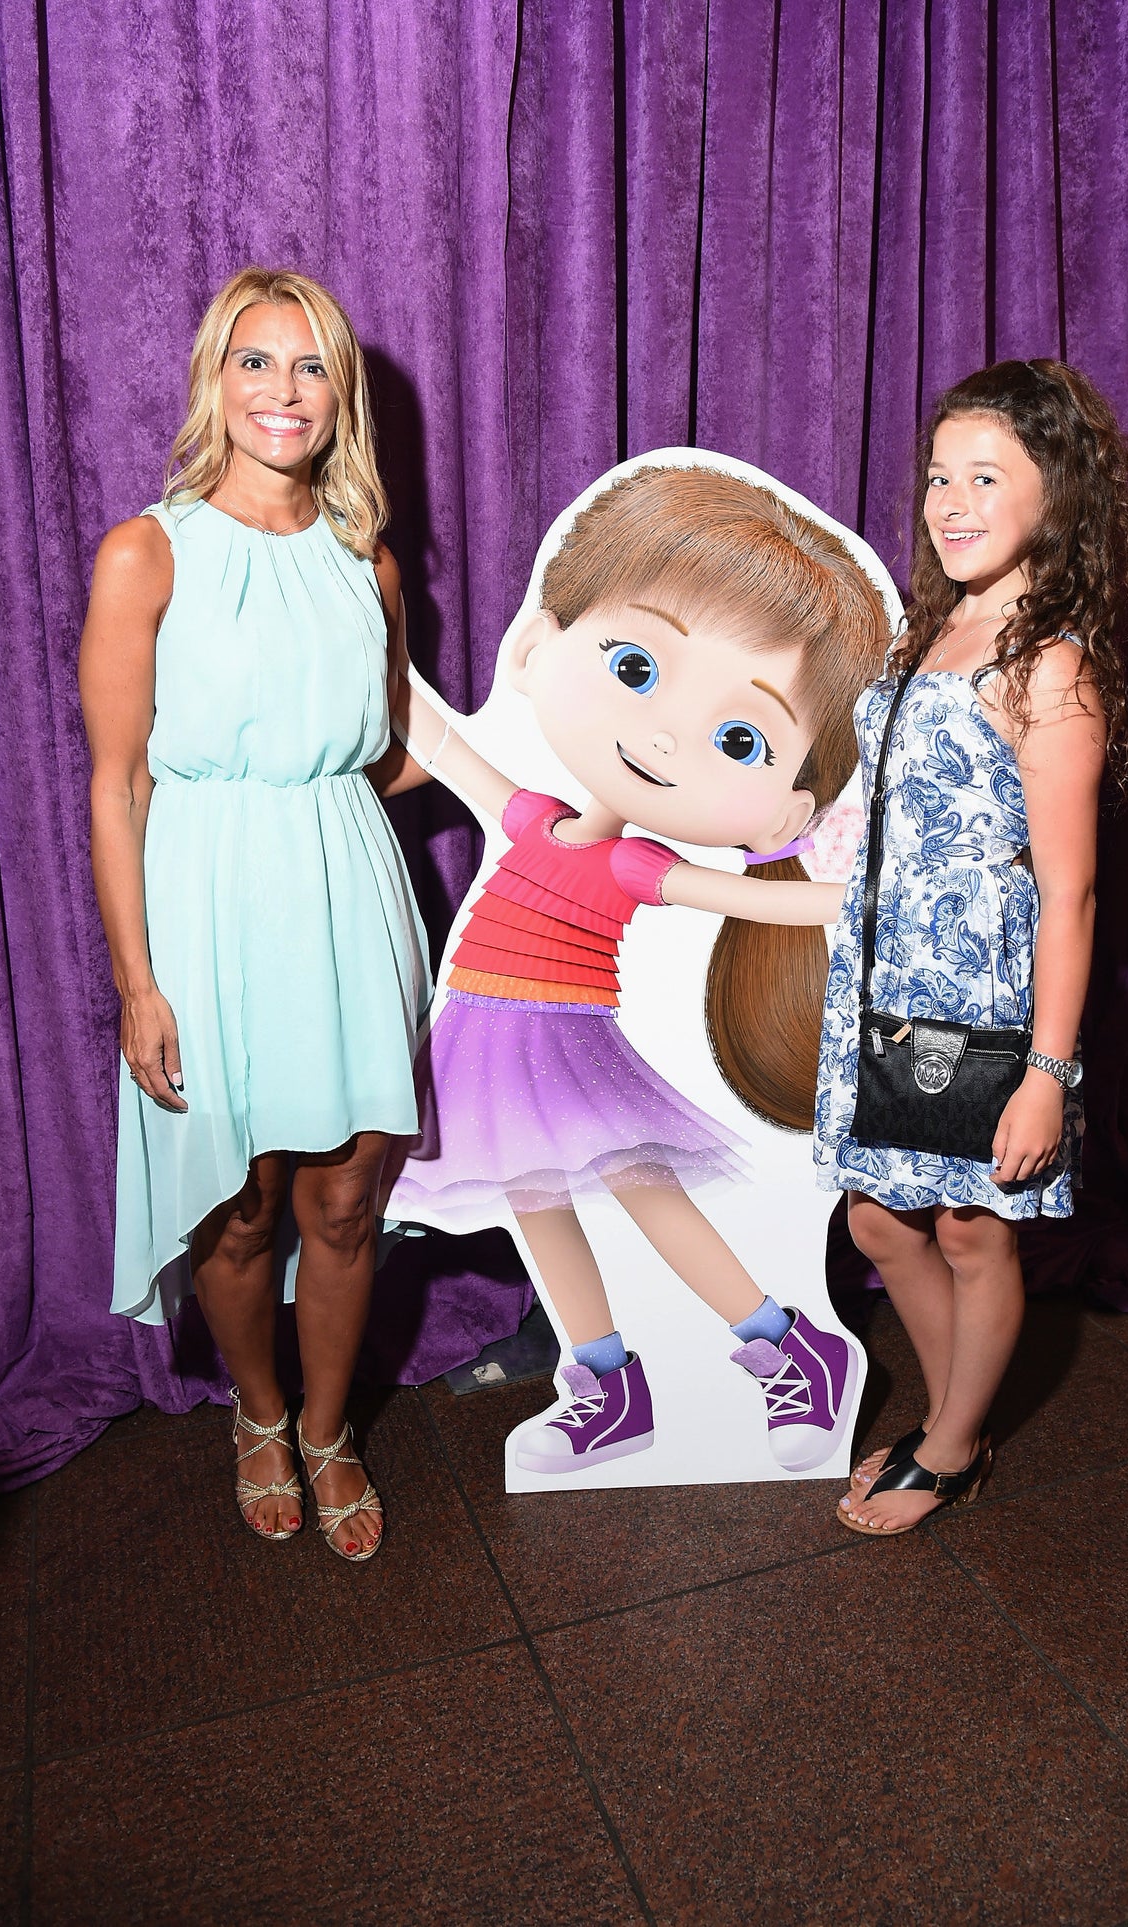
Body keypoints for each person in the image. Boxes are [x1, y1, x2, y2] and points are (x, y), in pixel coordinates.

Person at [384, 466, 890, 1475]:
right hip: (483, 1038)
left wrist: (876, 892)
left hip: (564, 1045)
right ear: (535, 645)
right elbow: (440, 739)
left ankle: (788, 1346)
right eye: (635, 666)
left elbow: (759, 898)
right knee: (538, 1201)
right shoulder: (534, 815)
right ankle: (608, 1381)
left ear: (785, 805)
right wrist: (369, 646)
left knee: (645, 1193)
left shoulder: (633, 861)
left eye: (738, 737)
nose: (663, 734)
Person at [79, 268, 430, 1561]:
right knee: (238, 1200)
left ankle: (330, 1427)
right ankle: (260, 1408)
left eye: (311, 366)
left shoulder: (366, 562)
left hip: (346, 880)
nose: (285, 391)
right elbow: (117, 783)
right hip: (207, 897)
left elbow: (391, 752)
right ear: (214, 385)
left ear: (340, 396)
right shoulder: (148, 551)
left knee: (345, 1198)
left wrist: (547, 767)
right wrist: (137, 983)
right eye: (256, 362)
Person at [817, 358, 1128, 1535]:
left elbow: (1070, 894)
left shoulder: (1046, 664)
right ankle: (959, 1408)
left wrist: (1045, 1081)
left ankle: (950, 1442)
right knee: (874, 1220)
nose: (949, 501)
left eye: (984, 477)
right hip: (883, 980)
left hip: (982, 1001)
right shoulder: (936, 623)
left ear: (1051, 498)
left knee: (966, 1227)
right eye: (938, 475)